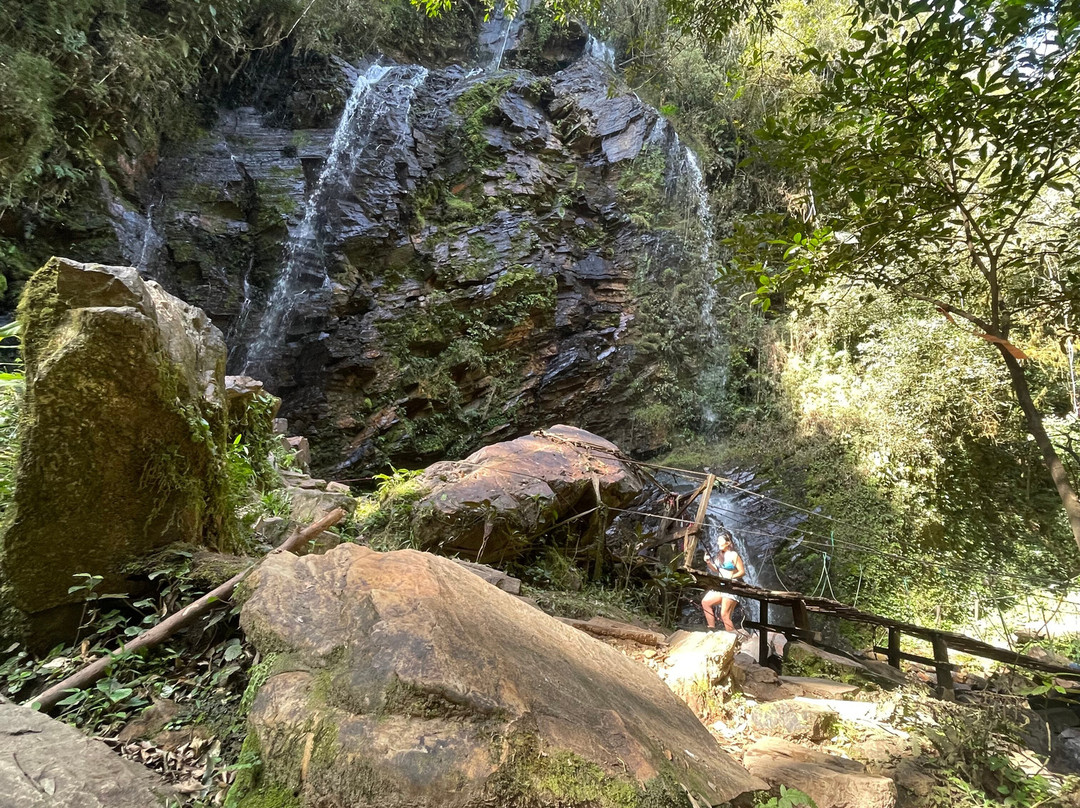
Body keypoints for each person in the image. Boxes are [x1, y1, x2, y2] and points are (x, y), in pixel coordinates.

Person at [701, 530, 746, 632]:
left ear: (728, 543)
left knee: (724, 615)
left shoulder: (734, 555)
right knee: (705, 602)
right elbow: (717, 570)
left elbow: (742, 572)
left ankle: (732, 637)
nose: (718, 543)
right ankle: (711, 629)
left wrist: (731, 577)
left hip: (731, 587)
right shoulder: (719, 556)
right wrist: (708, 562)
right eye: (717, 541)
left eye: (720, 541)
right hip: (721, 586)